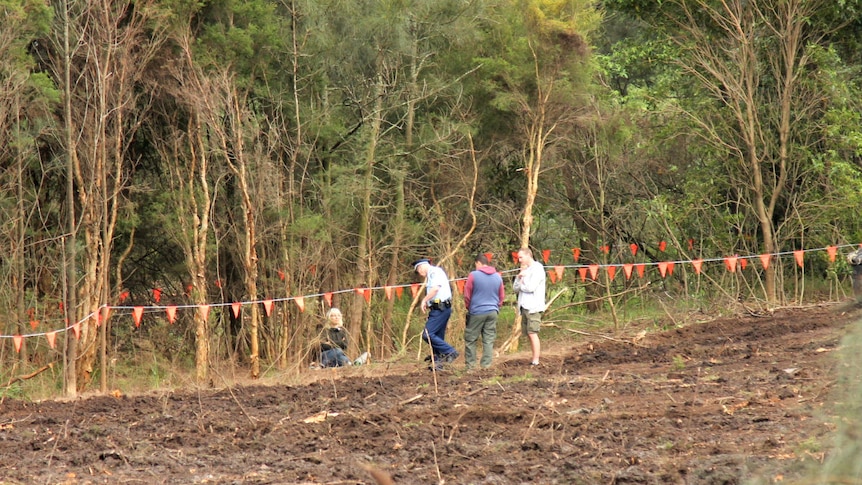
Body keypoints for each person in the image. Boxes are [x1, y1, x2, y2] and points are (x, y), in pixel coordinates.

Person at [414, 259, 458, 370]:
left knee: (427, 334)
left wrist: (424, 300)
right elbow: (437, 295)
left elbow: (435, 289)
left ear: (421, 267)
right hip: (438, 308)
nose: (419, 274)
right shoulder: (432, 274)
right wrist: (430, 303)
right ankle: (438, 363)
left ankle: (450, 351)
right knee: (437, 337)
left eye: (418, 270)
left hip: (440, 310)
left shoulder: (434, 272)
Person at [463, 253, 504, 369]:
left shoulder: (473, 275)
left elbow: (467, 295)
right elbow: (501, 295)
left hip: (477, 311)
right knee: (488, 339)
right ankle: (486, 366)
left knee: (471, 339)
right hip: (493, 311)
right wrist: (497, 306)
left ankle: (471, 366)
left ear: (478, 263)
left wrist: (469, 307)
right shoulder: (497, 276)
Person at [513, 247, 546, 366]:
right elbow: (515, 288)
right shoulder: (524, 270)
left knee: (533, 332)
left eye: (521, 257)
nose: (519, 260)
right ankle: (533, 358)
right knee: (528, 333)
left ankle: (536, 361)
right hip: (524, 305)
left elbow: (531, 287)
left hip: (534, 306)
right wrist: (519, 277)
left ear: (528, 255)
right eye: (518, 258)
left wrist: (523, 281)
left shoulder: (537, 268)